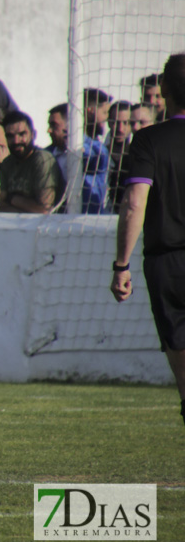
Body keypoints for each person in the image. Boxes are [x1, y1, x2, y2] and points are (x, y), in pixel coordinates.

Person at [112, 52, 185, 429]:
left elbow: (134, 202)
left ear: (164, 91)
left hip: (168, 264)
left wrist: (121, 265)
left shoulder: (148, 140)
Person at [0, 111, 63, 214]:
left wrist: (12, 198)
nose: (16, 141)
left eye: (22, 134)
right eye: (10, 136)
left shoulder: (42, 160)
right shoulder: (7, 163)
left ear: (33, 135)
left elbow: (44, 211)